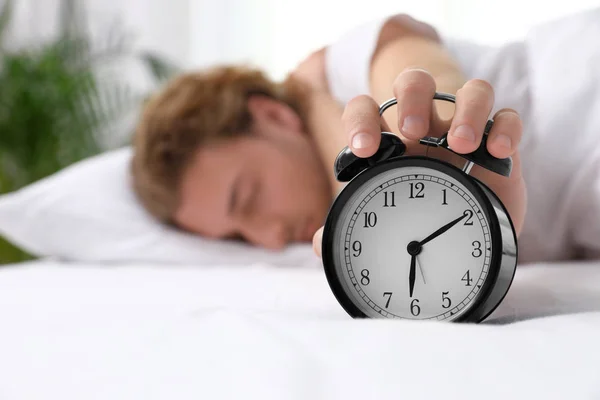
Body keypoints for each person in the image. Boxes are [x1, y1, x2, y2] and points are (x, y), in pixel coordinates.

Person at [131, 11, 600, 264]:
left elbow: (422, 87)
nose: (269, 237)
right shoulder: (340, 233)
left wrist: (445, 135)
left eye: (247, 198)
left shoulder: (343, 67)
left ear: (273, 115)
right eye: (238, 236)